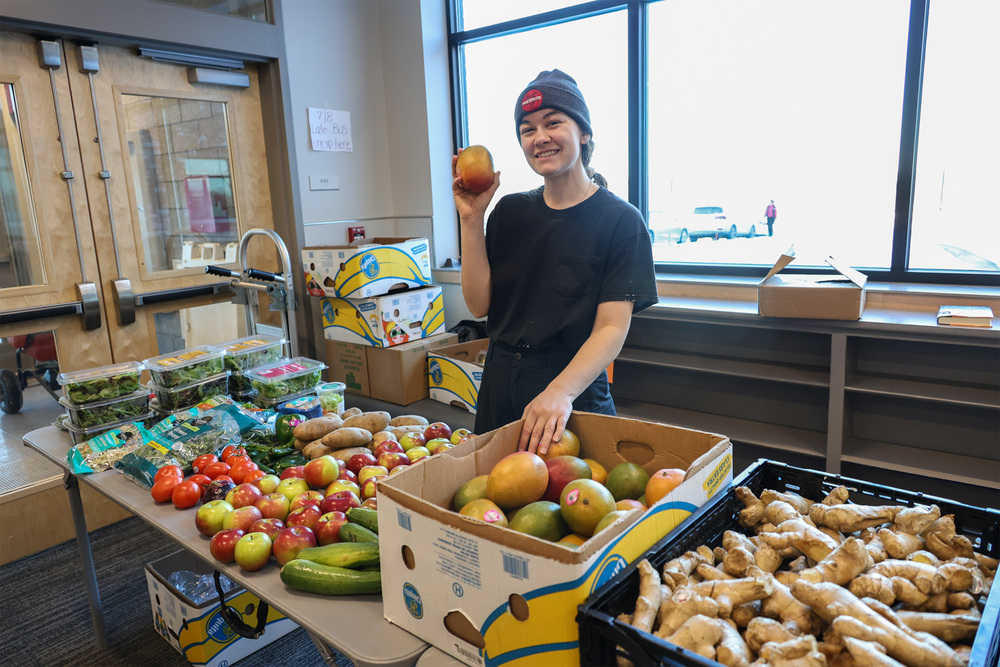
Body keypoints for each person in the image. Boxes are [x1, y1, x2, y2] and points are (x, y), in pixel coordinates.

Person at [452, 69, 658, 455]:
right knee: (491, 500)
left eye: (553, 122)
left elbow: (612, 328)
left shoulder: (620, 220)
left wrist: (559, 392)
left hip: (571, 388)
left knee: (576, 505)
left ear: (583, 133)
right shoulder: (509, 212)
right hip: (498, 381)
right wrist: (471, 219)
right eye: (527, 129)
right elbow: (479, 305)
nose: (540, 137)